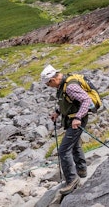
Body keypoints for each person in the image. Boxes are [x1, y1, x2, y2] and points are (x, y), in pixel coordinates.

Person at [41, 64, 90, 196]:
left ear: (53, 80)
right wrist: (57, 112)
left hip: (76, 120)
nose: (48, 87)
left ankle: (72, 180)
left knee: (63, 150)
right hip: (71, 119)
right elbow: (67, 102)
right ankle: (81, 169)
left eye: (47, 84)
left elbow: (86, 100)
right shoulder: (62, 85)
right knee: (74, 145)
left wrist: (78, 117)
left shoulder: (70, 86)